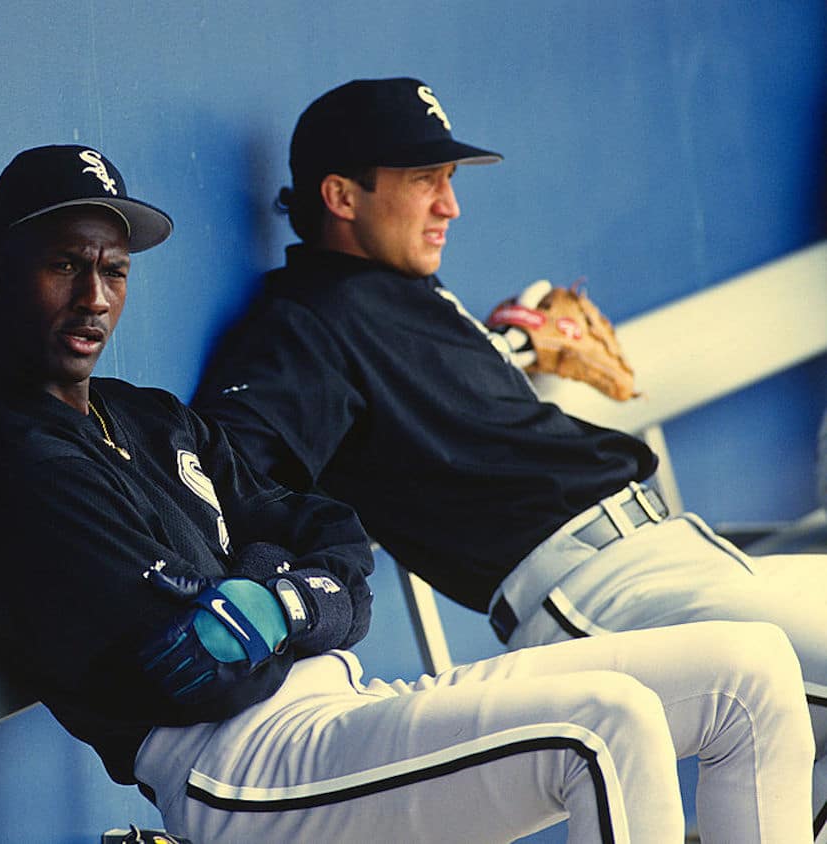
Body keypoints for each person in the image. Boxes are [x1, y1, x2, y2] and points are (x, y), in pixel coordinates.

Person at [0, 143, 816, 842]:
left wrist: (276, 596)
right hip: (243, 771)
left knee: (751, 671)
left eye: (114, 270)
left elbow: (332, 534)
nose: (93, 297)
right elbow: (201, 664)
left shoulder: (151, 417)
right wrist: (294, 588)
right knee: (602, 727)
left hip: (342, 710)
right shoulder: (5, 465)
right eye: (62, 266)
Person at [190, 76, 827, 838]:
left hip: (681, 549)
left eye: (450, 180)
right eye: (425, 180)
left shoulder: (398, 291)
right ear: (341, 195)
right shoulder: (301, 325)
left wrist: (504, 346)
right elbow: (224, 463)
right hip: (596, 588)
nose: (449, 206)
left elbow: (427, 403)